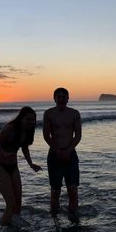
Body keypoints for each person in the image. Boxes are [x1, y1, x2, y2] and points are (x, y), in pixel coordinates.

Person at [0, 106, 42, 226]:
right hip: (1, 167)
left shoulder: (28, 131)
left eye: (32, 120)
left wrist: (31, 164)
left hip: (14, 167)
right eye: (27, 119)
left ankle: (15, 225)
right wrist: (5, 153)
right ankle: (4, 229)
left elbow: (24, 147)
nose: (30, 122)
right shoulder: (10, 128)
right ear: (21, 118)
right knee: (10, 203)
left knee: (18, 201)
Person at [43, 88, 82, 222]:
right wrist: (58, 151)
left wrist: (68, 150)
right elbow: (46, 135)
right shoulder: (49, 114)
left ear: (68, 98)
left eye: (64, 96)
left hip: (70, 154)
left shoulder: (74, 114)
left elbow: (78, 135)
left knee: (73, 189)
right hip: (54, 155)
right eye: (58, 96)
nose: (61, 99)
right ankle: (55, 220)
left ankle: (74, 219)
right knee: (55, 190)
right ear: (54, 98)